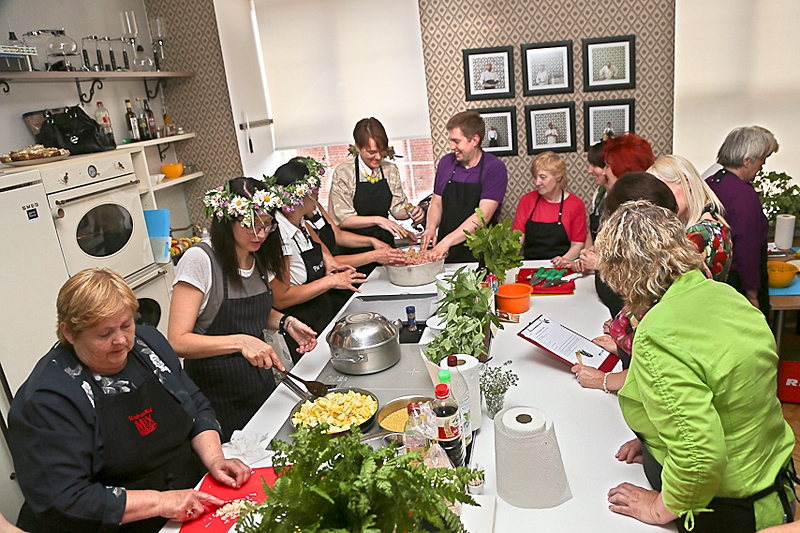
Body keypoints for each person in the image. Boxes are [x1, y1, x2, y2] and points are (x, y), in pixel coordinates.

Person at [595, 201, 796, 533]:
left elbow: (700, 457)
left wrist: (657, 508)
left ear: (621, 273)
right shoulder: (724, 295)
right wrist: (656, 435)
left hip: (731, 511)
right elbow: (721, 396)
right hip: (771, 484)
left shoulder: (657, 333)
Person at [8, 268, 252, 533]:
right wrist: (160, 502)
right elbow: (66, 500)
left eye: (127, 325)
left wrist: (215, 459)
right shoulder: (48, 399)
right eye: (105, 334)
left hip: (188, 503)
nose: (122, 341)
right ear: (69, 333)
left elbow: (195, 406)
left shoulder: (150, 346)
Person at [169, 177, 317, 441]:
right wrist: (240, 342)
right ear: (228, 221)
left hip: (258, 386)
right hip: (215, 397)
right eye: (249, 226)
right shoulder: (200, 260)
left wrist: (286, 322)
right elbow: (177, 340)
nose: (259, 234)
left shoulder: (259, 256)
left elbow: (254, 312)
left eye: (266, 226)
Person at [271, 159, 367, 354]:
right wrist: (331, 282)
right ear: (299, 196)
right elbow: (281, 298)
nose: (317, 194)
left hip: (322, 314)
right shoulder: (279, 235)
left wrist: (333, 266)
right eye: (313, 189)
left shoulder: (302, 224)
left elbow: (327, 257)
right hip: (302, 326)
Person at [579, 133, 656, 317]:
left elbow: (644, 274)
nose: (604, 172)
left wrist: (600, 263)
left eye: (607, 165)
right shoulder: (614, 200)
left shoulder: (643, 212)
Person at [706, 125, 779, 316]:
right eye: (762, 160)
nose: (762, 166)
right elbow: (747, 248)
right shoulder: (743, 194)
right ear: (747, 161)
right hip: (737, 283)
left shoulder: (711, 182)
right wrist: (753, 295)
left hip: (714, 279)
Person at [421, 111, 508, 263]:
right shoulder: (445, 163)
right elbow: (436, 203)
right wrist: (430, 227)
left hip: (481, 252)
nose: (451, 146)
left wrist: (447, 242)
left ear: (474, 140)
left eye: (456, 141)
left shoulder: (494, 167)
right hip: (446, 251)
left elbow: (483, 216)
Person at [329, 118, 423, 250]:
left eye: (382, 150)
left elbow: (397, 209)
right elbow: (344, 220)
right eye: (372, 152)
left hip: (386, 246)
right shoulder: (344, 173)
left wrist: (412, 212)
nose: (378, 157)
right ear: (357, 147)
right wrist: (379, 220)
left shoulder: (390, 169)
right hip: (355, 247)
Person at [650, 155, 732, 282]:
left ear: (686, 181)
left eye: (664, 190)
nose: (661, 200)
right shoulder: (713, 221)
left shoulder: (700, 233)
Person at [512, 151, 586, 266]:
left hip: (562, 267)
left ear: (559, 177)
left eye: (543, 177)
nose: (537, 182)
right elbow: (518, 237)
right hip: (530, 266)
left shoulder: (575, 204)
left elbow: (577, 244)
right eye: (535, 177)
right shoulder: (526, 200)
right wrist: (508, 259)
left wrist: (563, 260)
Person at [586, 141, 608, 244]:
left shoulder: (622, 197)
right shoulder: (599, 193)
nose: (589, 171)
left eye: (594, 165)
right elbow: (592, 233)